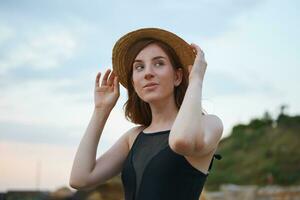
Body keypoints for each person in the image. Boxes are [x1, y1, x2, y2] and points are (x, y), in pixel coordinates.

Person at [69, 27, 223, 200]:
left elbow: (181, 141)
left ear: (178, 76)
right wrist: (100, 110)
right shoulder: (133, 137)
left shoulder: (209, 124)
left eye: (159, 63)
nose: (148, 73)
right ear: (134, 82)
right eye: (139, 67)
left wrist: (196, 80)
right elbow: (80, 179)